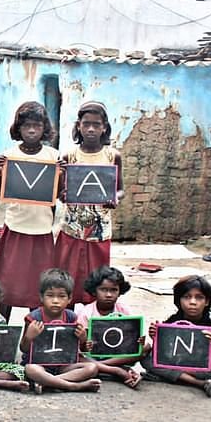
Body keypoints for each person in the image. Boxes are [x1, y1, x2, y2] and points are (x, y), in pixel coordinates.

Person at [0, 102, 60, 320]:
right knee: (9, 280)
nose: (31, 130)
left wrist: (64, 174)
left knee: (37, 283)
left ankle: (35, 326)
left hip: (42, 229)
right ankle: (3, 326)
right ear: (18, 128)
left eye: (37, 126)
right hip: (15, 226)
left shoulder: (54, 157)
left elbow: (57, 193)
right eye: (27, 125)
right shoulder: (8, 156)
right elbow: (4, 192)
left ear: (44, 128)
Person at [55, 101, 124, 306]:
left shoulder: (113, 155)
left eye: (96, 124)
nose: (91, 129)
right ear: (79, 126)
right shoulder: (69, 156)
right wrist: (63, 194)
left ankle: (91, 324)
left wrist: (116, 198)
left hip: (99, 230)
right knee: (68, 277)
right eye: (86, 124)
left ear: (104, 127)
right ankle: (68, 320)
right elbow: (60, 192)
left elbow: (120, 188)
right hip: (72, 228)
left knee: (96, 279)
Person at [141, 275, 211, 397]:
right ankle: (201, 383)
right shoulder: (171, 321)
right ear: (179, 301)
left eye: (199, 297)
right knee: (145, 359)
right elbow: (162, 355)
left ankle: (170, 377)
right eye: (186, 297)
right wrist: (156, 338)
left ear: (207, 301)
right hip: (177, 364)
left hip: (198, 368)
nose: (192, 302)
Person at [21, 268, 101, 394]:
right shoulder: (34, 317)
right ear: (41, 297)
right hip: (39, 364)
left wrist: (83, 339)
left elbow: (82, 349)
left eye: (61, 296)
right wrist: (29, 337)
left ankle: (48, 383)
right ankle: (73, 386)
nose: (55, 301)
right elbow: (24, 349)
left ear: (69, 299)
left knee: (92, 368)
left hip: (63, 365)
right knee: (30, 369)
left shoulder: (71, 317)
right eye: (50, 295)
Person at [77, 266, 146, 389]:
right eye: (103, 289)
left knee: (145, 348)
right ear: (94, 291)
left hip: (116, 354)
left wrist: (137, 341)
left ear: (120, 291)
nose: (108, 294)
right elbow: (82, 347)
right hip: (93, 356)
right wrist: (85, 343)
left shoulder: (123, 309)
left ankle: (102, 367)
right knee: (77, 357)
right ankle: (116, 370)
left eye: (113, 290)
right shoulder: (86, 313)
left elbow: (129, 336)